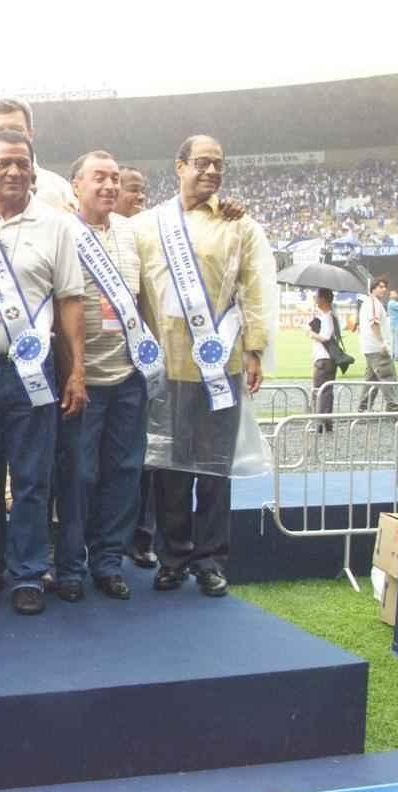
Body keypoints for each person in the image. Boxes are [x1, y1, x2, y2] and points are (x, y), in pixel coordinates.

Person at [133, 134, 273, 599]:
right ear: (180, 166)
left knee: (214, 470)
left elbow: (253, 289)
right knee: (170, 468)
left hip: (220, 367)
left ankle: (210, 560)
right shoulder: (148, 226)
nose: (212, 171)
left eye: (218, 164)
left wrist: (254, 349)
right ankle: (172, 558)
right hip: (167, 367)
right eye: (202, 162)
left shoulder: (238, 224)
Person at [0, 130, 86, 616]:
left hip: (32, 373)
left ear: (34, 169)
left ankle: (28, 573)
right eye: (3, 163)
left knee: (32, 479)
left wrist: (76, 372)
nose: (13, 171)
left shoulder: (57, 225)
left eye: (22, 163)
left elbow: (70, 301)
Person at [55, 151, 163, 603]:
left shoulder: (133, 232)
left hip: (128, 377)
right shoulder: (62, 230)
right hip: (82, 380)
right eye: (98, 177)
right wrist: (72, 371)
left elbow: (143, 299)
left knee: (124, 472)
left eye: (115, 178)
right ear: (76, 185)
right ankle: (70, 565)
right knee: (78, 476)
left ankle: (108, 563)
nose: (109, 186)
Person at [111, 166, 159, 569]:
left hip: (142, 365)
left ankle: (141, 536)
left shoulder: (148, 238)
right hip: (100, 368)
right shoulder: (86, 234)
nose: (140, 198)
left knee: (142, 459)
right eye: (133, 190)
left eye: (144, 191)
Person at [356, 276, 398, 412]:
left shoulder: (368, 302)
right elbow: (374, 324)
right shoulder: (373, 303)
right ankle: (393, 411)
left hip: (370, 349)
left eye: (385, 287)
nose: (384, 289)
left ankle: (363, 409)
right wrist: (383, 343)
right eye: (380, 287)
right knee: (389, 378)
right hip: (378, 349)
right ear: (373, 288)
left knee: (371, 381)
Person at [308, 288, 339, 432]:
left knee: (321, 392)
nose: (315, 299)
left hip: (324, 360)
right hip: (326, 359)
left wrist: (311, 333)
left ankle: (321, 424)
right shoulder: (329, 316)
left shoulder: (328, 317)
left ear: (323, 299)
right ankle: (325, 423)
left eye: (316, 296)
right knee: (325, 391)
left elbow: (325, 337)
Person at [386, 289, 398, 362]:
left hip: (394, 324)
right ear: (390, 296)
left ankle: (394, 355)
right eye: (393, 293)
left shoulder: (393, 303)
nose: (396, 294)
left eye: (395, 293)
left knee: (394, 341)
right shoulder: (392, 303)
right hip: (396, 324)